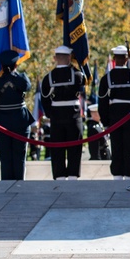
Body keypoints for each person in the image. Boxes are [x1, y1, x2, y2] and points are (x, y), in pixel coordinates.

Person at [97, 45, 130, 179]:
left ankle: (117, 175)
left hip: (114, 117)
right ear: (127, 59)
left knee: (116, 146)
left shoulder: (106, 78)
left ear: (114, 59)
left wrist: (105, 122)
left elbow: (102, 103)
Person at [39, 45, 86, 180]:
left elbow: (45, 98)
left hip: (57, 116)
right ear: (70, 58)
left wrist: (50, 114)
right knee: (74, 146)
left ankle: (59, 175)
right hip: (74, 114)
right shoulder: (78, 75)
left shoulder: (48, 78)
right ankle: (73, 175)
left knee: (57, 147)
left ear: (55, 58)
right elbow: (82, 89)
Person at [0, 49, 33, 180]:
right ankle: (19, 182)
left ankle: (6, 183)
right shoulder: (22, 79)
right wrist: (15, 73)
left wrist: (2, 113)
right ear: (16, 65)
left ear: (1, 66)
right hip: (20, 120)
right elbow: (28, 87)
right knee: (20, 155)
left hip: (3, 120)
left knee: (5, 156)